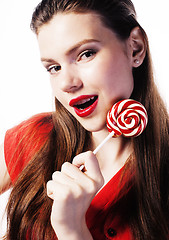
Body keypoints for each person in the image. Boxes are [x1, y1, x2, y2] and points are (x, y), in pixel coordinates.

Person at [0, 0, 168, 239]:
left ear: (135, 48)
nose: (67, 83)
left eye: (85, 54)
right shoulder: (33, 137)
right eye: (54, 67)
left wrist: (72, 229)